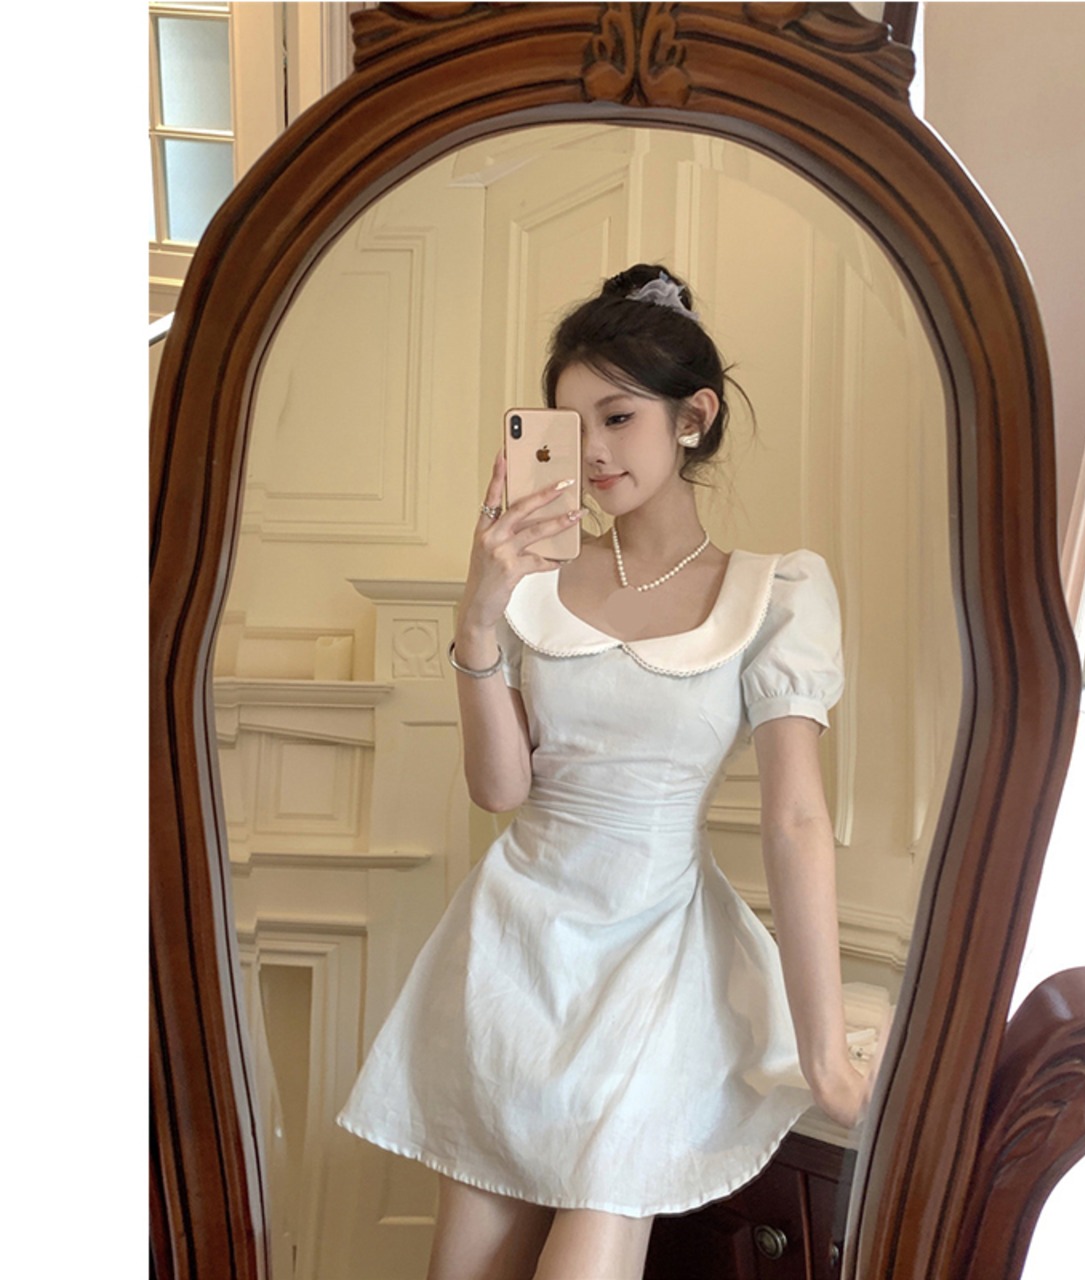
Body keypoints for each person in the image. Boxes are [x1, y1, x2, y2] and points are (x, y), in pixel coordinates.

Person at [338, 264, 869, 1280]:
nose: (590, 451)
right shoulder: (532, 582)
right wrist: (478, 618)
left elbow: (796, 821)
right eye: (569, 424)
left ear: (693, 417)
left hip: (654, 969)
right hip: (513, 958)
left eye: (617, 417)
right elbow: (502, 790)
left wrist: (824, 1054)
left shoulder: (775, 593)